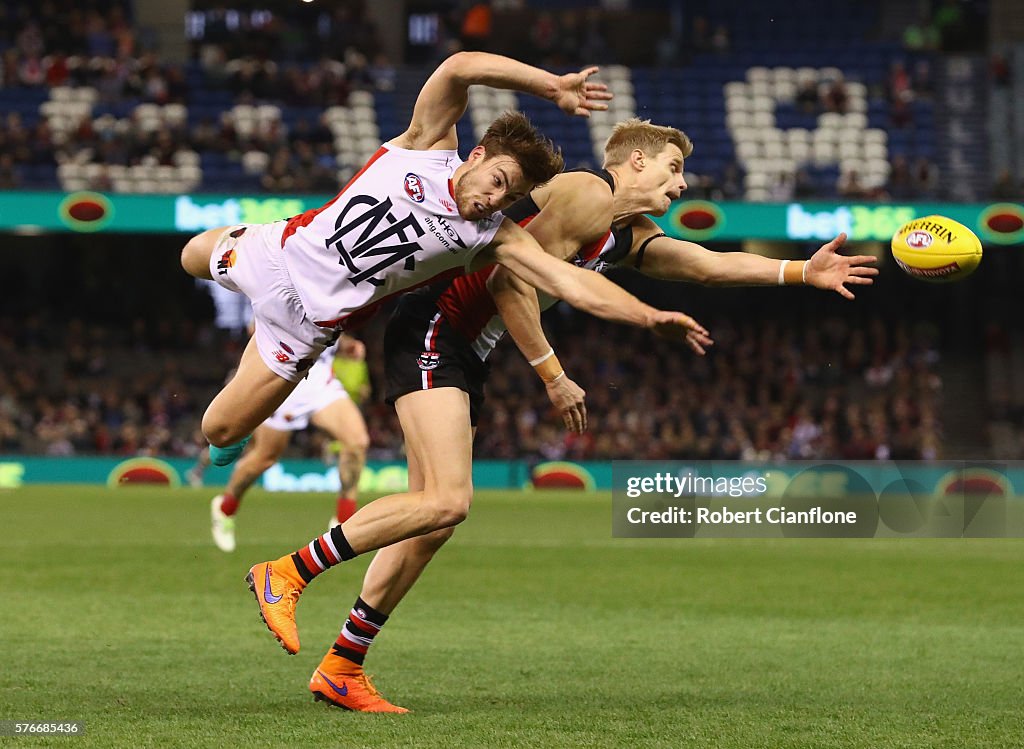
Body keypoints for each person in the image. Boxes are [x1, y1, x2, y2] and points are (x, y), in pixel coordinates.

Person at [250, 119, 876, 712]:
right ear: (635, 160)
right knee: (447, 501)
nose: (681, 184)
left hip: (466, 349)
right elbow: (506, 283)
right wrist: (553, 373)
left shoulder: (624, 234)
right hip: (435, 332)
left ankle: (343, 666)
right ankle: (288, 573)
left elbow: (702, 265)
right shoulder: (586, 192)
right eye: (673, 167)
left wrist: (799, 271)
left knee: (433, 520)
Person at [179, 50, 704, 468]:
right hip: (272, 253)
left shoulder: (492, 237)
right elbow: (459, 68)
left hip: (303, 325)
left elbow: (570, 283)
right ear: (476, 155)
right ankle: (240, 236)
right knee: (189, 257)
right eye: (497, 180)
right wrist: (552, 86)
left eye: (509, 197)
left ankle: (241, 399)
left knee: (220, 431)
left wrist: (647, 315)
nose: (495, 200)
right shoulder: (424, 147)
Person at [208, 335, 371, 552]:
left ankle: (343, 523)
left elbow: (331, 328)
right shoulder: (289, 299)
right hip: (284, 381)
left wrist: (346, 344)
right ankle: (225, 509)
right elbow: (257, 327)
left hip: (321, 383)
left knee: (357, 441)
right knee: (264, 458)